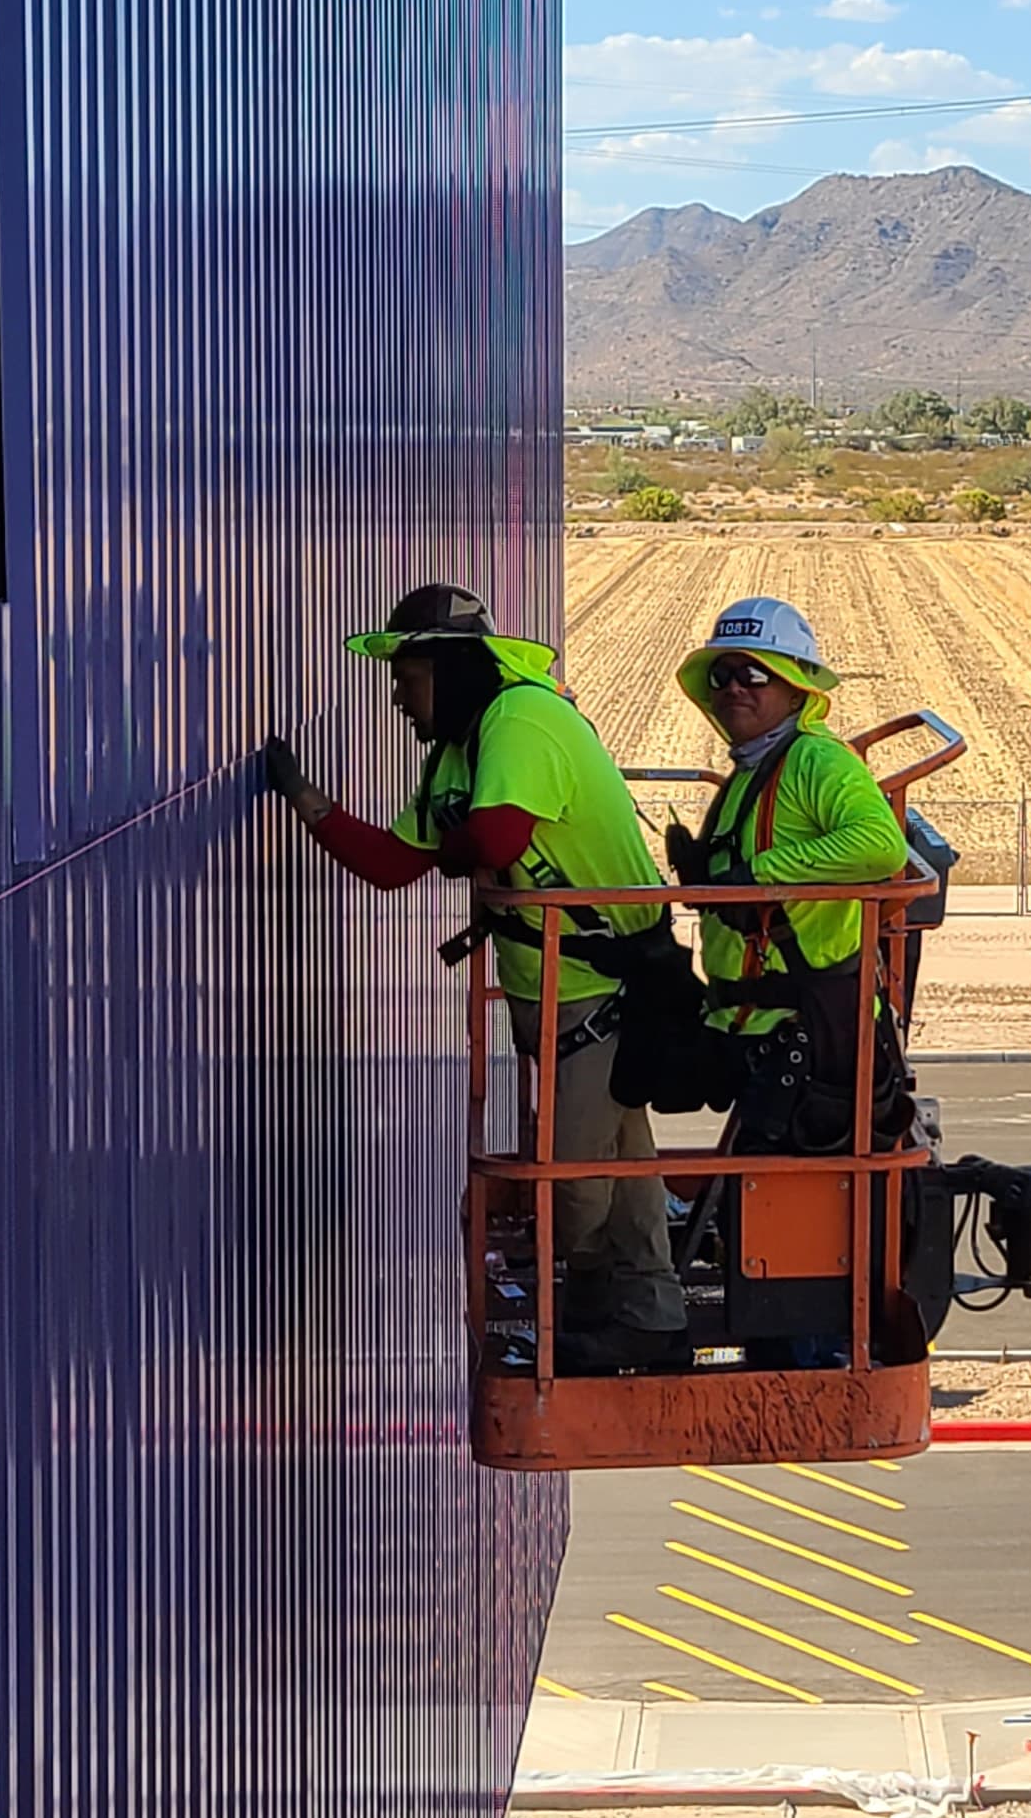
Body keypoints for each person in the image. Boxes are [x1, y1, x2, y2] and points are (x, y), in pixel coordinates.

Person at [261, 583, 689, 1371]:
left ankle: (607, 1303)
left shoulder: (522, 721)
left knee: (575, 1178)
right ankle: (645, 1315)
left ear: (451, 672)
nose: (396, 699)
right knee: (619, 1158)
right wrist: (305, 800)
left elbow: (491, 838)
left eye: (408, 677)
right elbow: (394, 865)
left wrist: (452, 848)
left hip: (601, 990)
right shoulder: (459, 754)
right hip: (555, 992)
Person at [664, 597, 915, 1159]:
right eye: (723, 675)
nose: (734, 688)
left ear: (798, 689)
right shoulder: (755, 769)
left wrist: (757, 877)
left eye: (756, 674)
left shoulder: (816, 761)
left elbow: (881, 846)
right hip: (756, 1024)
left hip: (808, 1038)